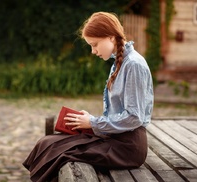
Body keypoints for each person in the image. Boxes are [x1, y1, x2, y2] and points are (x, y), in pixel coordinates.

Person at [22, 11, 154, 182]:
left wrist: (93, 122)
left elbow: (134, 118)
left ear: (111, 37)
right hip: (114, 138)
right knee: (48, 142)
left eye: (95, 44)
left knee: (61, 153)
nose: (93, 51)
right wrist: (89, 122)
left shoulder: (133, 65)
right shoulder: (120, 62)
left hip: (127, 148)